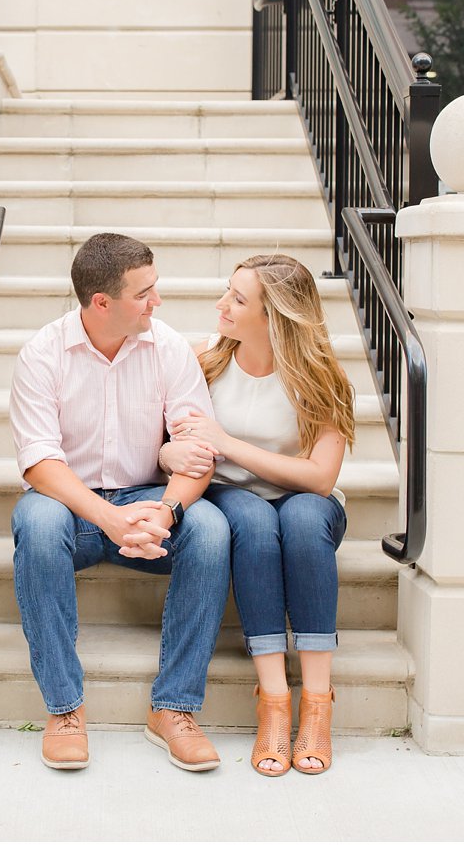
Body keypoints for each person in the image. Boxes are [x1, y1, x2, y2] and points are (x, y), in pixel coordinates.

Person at [9, 232, 231, 773]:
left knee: (211, 528)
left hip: (147, 503)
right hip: (74, 511)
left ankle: (174, 708)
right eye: (145, 293)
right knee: (36, 522)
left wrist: (167, 510)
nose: (158, 302)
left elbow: (199, 449)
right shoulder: (43, 353)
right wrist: (106, 517)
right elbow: (40, 463)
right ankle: (65, 710)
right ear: (101, 303)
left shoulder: (169, 347)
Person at [160, 253, 354, 777]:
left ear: (274, 317)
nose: (222, 304)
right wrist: (169, 454)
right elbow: (163, 443)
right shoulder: (206, 362)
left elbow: (320, 477)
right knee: (251, 520)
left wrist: (229, 444)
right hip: (233, 498)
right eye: (228, 291)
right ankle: (273, 702)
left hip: (305, 504)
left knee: (303, 520)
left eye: (238, 299)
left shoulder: (321, 378)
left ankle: (317, 704)